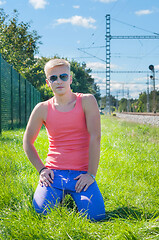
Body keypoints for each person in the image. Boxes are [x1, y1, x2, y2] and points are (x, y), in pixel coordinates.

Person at [23, 58, 105, 221]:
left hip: (81, 175)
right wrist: (42, 170)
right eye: (53, 78)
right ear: (48, 82)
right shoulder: (42, 108)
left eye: (63, 76)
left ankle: (69, 196)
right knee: (41, 213)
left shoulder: (87, 101)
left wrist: (91, 174)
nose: (59, 81)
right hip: (54, 174)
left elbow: (95, 138)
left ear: (70, 78)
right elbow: (27, 142)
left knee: (96, 217)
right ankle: (57, 196)